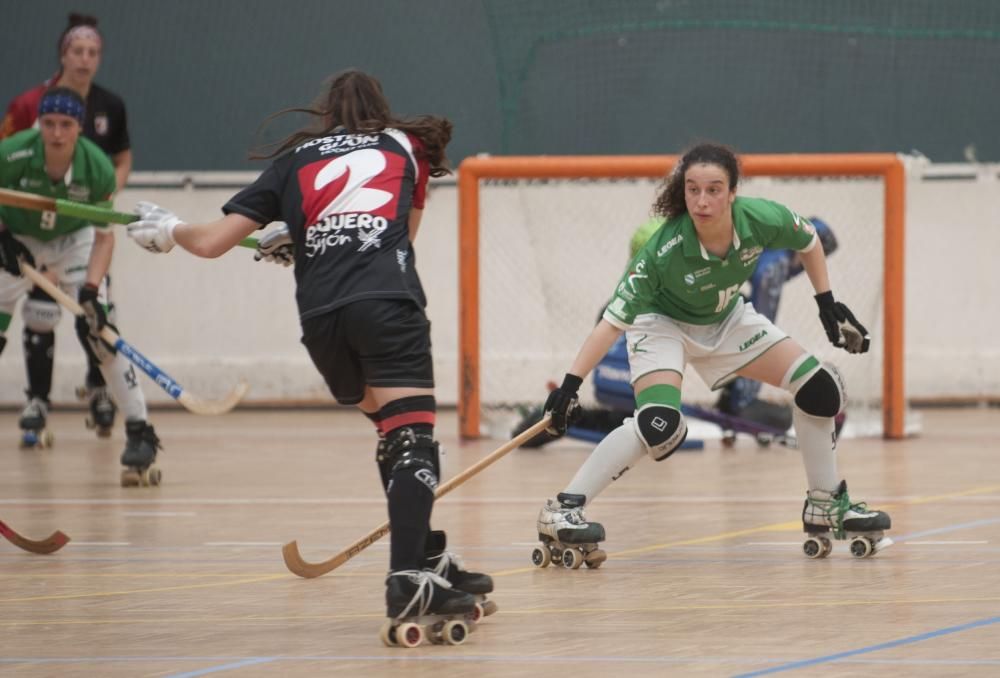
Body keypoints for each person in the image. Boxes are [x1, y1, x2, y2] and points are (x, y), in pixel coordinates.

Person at [123, 70, 493, 633]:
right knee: (414, 437)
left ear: (325, 115)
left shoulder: (294, 162)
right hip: (386, 303)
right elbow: (396, 237)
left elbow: (209, 243)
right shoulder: (406, 146)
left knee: (391, 435)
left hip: (321, 319)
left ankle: (425, 553)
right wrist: (304, 237)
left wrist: (170, 228)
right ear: (380, 110)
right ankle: (407, 581)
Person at [532, 142, 891, 566]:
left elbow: (809, 239)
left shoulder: (760, 219)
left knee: (821, 390)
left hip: (724, 318)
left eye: (714, 189)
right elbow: (611, 322)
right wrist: (570, 386)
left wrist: (826, 301)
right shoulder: (661, 252)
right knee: (658, 424)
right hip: (659, 325)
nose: (702, 201)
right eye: (693, 189)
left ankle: (825, 503)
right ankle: (563, 509)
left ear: (733, 192)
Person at [514, 214, 839, 447]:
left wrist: (570, 386)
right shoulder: (683, 298)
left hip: (616, 388)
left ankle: (573, 478)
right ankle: (571, 498)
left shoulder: (621, 298)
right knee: (659, 423)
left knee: (636, 421)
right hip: (640, 391)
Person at [0, 87, 160, 474]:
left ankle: (140, 430)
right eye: (49, 124)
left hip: (75, 242)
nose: (56, 133)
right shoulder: (11, 154)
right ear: (39, 123)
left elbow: (104, 237)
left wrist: (90, 291)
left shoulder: (98, 168)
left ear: (79, 128)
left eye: (66, 125)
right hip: (17, 238)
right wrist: (2, 238)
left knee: (99, 334)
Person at [1, 13, 132, 436]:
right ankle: (38, 400)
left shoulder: (109, 105)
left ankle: (100, 389)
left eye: (93, 52)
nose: (85, 59)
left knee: (92, 308)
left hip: (80, 229)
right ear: (63, 54)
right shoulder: (27, 105)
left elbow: (120, 159)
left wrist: (104, 204)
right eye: (78, 51)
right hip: (26, 230)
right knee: (40, 313)